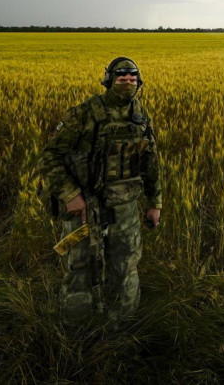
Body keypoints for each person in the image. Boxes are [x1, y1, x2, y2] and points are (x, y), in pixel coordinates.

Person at [39, 57, 162, 326]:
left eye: (132, 79)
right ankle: (75, 334)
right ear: (109, 81)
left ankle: (121, 331)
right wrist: (71, 195)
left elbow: (151, 161)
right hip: (84, 208)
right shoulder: (84, 114)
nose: (127, 84)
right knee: (79, 269)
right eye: (121, 78)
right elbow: (49, 158)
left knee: (125, 268)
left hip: (125, 209)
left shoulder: (140, 116)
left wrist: (155, 203)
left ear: (139, 82)